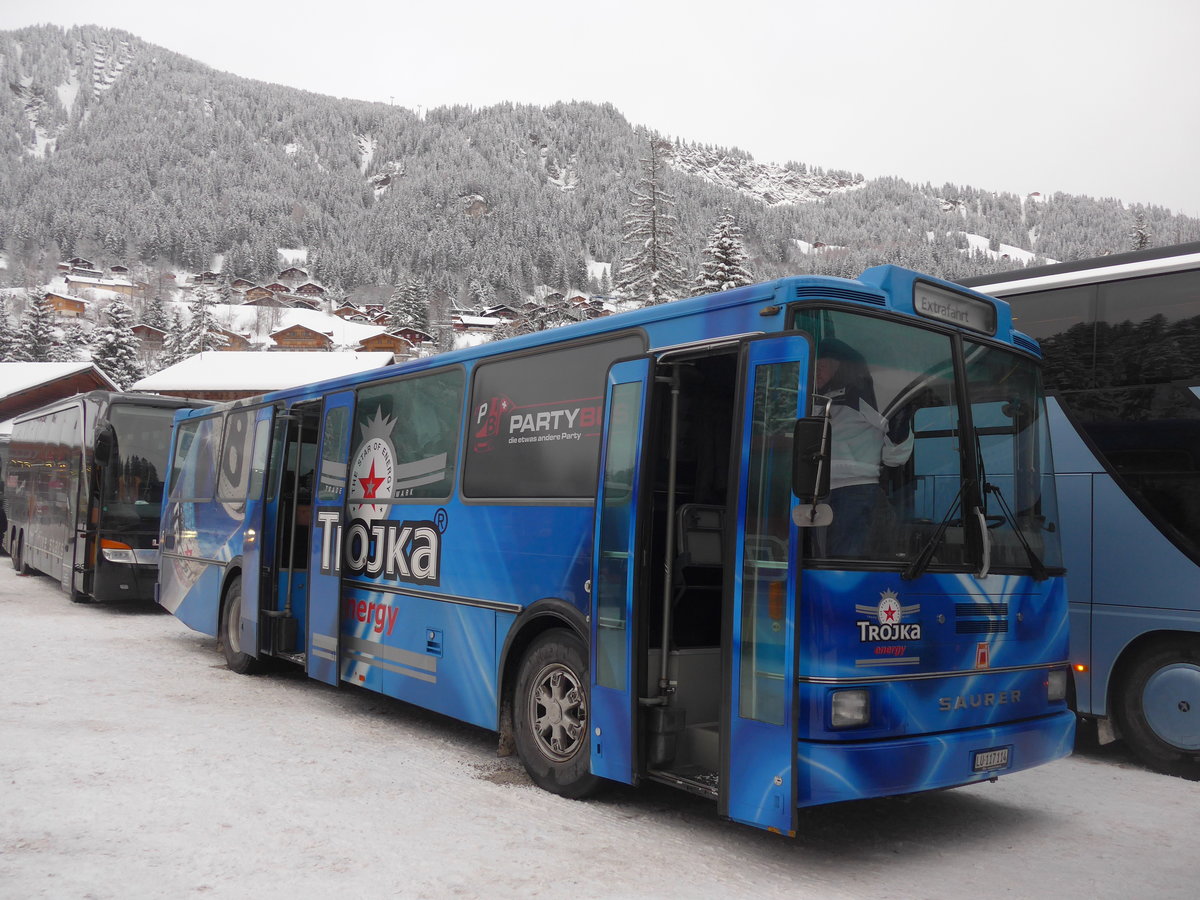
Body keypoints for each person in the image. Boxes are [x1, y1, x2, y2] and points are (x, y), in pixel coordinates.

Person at [814, 338, 912, 557]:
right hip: (820, 491)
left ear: (840, 366)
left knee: (843, 562)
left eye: (822, 365)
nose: (816, 371)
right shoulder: (818, 400)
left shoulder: (862, 394)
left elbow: (898, 428)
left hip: (855, 489)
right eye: (814, 366)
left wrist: (890, 457)